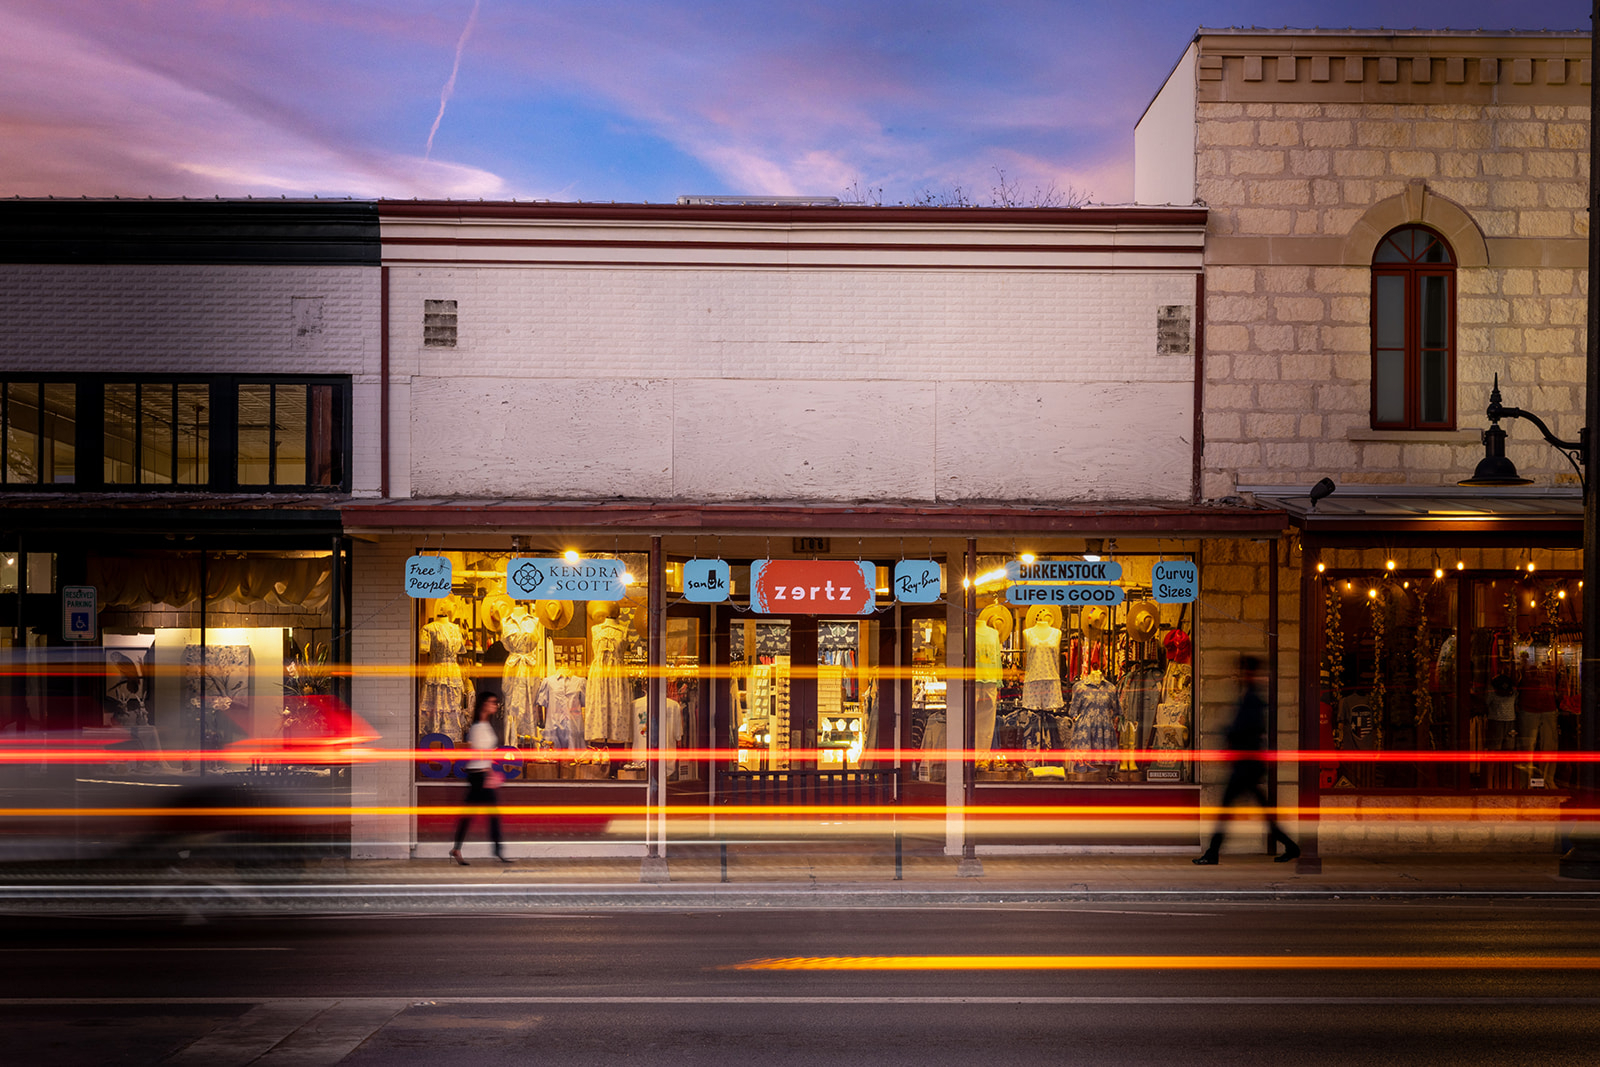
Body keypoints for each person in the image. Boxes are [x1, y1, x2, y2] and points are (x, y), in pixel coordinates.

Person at [1193, 654, 1300, 866]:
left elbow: (1248, 728)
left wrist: (1229, 734)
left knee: (1226, 810)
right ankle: (1291, 846)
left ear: (1248, 673)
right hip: (1248, 764)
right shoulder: (1250, 697)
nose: (1238, 676)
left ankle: (1213, 853)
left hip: (1246, 765)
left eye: (1242, 671)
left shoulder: (1252, 699)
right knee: (1262, 812)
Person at [451, 691, 511, 866]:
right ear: (484, 704)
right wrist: (488, 772)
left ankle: (458, 848)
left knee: (472, 814)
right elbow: (478, 752)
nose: (495, 705)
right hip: (478, 775)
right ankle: (497, 851)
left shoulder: (486, 725)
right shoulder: (477, 727)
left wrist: (489, 769)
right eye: (493, 702)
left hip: (482, 773)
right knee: (489, 815)